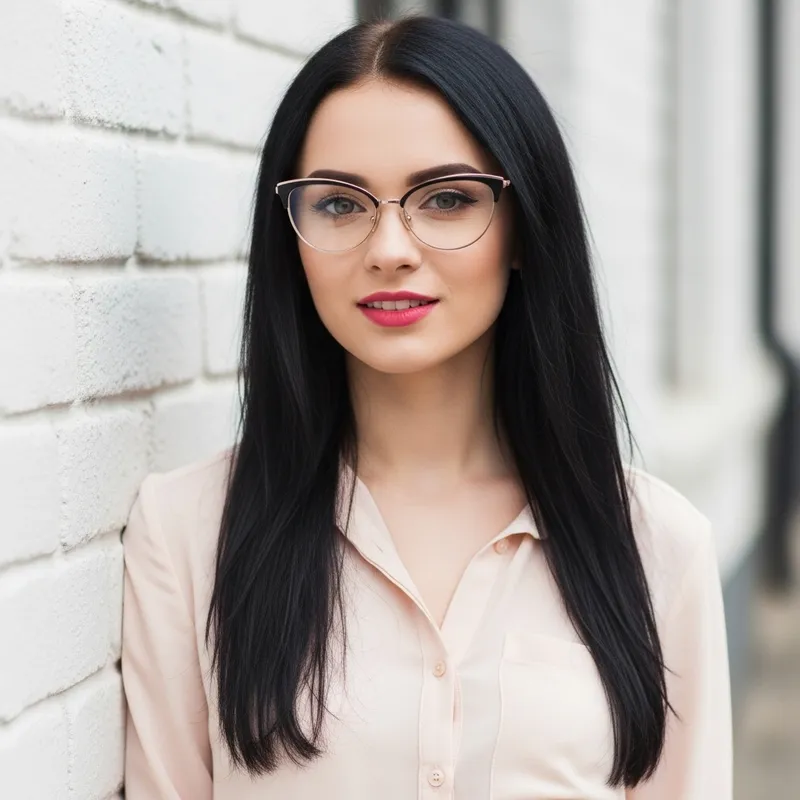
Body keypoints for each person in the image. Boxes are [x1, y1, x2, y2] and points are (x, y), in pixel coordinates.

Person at [120, 15, 732, 800]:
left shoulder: (659, 548)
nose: (390, 248)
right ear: (292, 236)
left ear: (523, 228)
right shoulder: (187, 535)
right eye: (340, 204)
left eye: (445, 199)